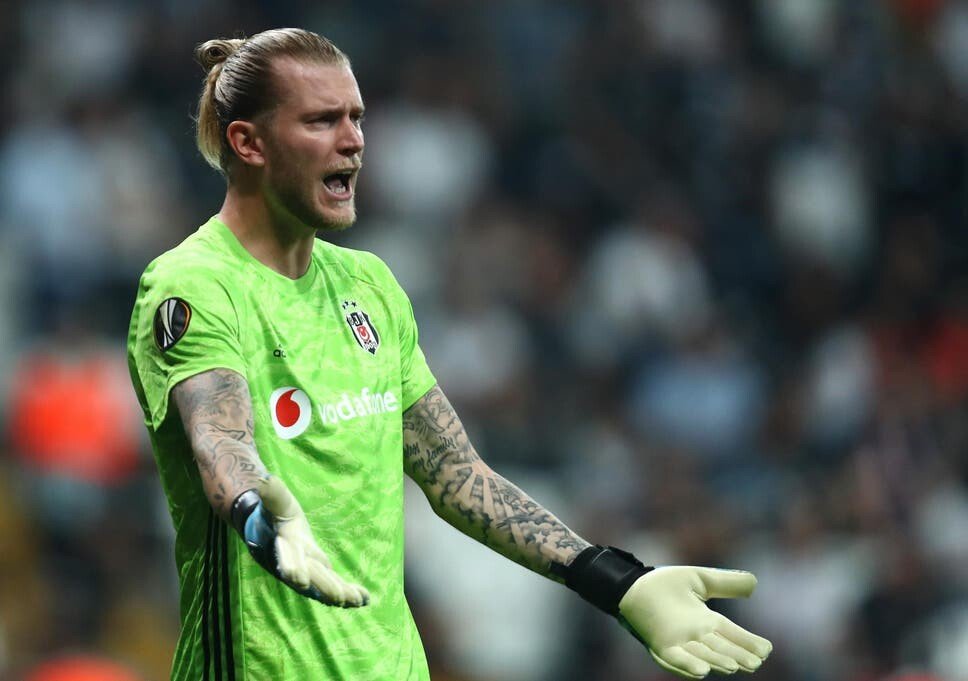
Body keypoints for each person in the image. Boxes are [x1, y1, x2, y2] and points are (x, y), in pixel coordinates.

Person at [127, 27, 773, 681]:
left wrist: (617, 580)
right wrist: (260, 519)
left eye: (356, 118)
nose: (353, 141)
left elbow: (456, 475)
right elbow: (221, 443)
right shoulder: (195, 284)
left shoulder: (368, 286)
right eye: (322, 121)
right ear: (249, 143)